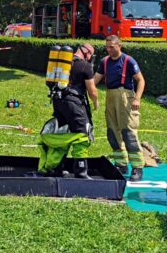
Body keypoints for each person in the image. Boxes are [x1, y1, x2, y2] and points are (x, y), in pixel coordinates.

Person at [39, 43, 99, 178]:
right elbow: (92, 91)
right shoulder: (85, 66)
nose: (90, 58)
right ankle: (81, 172)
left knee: (62, 132)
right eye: (91, 54)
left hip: (57, 100)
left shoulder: (62, 63)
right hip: (73, 103)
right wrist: (96, 103)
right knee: (82, 135)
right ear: (87, 52)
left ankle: (55, 168)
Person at [93, 35, 146, 181]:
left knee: (128, 132)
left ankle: (137, 167)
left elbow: (141, 80)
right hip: (110, 96)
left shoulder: (128, 61)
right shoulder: (104, 62)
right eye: (107, 47)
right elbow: (95, 79)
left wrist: (137, 98)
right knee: (112, 132)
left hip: (125, 97)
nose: (109, 50)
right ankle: (121, 164)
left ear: (119, 45)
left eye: (111, 47)